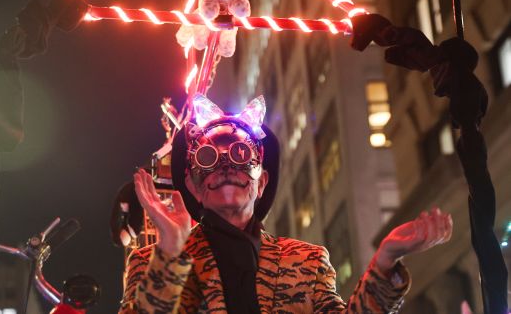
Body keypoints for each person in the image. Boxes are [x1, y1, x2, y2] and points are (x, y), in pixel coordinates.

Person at [119, 94, 452, 313]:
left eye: (239, 155)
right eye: (209, 158)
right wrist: (171, 253)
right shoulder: (149, 261)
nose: (225, 167)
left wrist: (386, 260)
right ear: (192, 185)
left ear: (262, 181)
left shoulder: (307, 261)